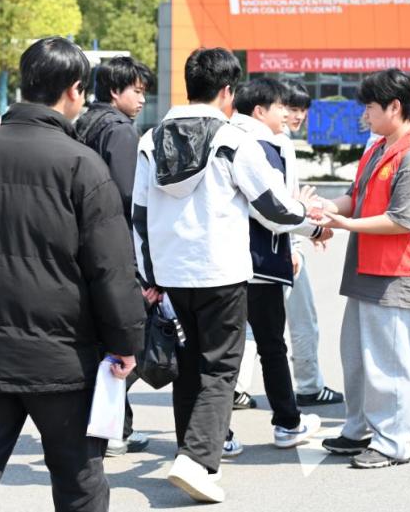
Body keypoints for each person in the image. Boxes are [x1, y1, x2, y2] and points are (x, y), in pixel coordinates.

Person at [0, 37, 146, 512]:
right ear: (74, 90)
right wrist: (126, 342)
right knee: (79, 478)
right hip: (61, 357)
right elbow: (111, 268)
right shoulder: (82, 164)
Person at [132, 48, 315, 503]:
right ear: (228, 91)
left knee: (187, 368)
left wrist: (148, 276)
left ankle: (188, 453)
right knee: (220, 369)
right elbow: (273, 206)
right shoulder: (233, 140)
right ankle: (197, 461)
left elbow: (138, 215)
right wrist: (311, 221)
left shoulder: (150, 140)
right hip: (221, 272)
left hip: (170, 273)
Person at [317, 69, 410, 469]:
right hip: (368, 269)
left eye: (370, 107)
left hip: (397, 274)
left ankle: (393, 442)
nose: (365, 115)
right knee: (356, 358)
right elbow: (355, 197)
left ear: (394, 107)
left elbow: (404, 220)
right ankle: (358, 429)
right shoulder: (379, 149)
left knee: (391, 364)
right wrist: (326, 208)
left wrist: (345, 224)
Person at [230, 77, 325, 449]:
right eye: (281, 107)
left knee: (221, 349)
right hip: (260, 263)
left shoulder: (224, 137)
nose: (287, 114)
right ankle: (287, 422)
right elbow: (273, 207)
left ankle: (215, 435)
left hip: (222, 264)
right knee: (271, 345)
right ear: (260, 110)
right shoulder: (262, 145)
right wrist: (309, 225)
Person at [75, 55, 154, 457]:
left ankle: (114, 426)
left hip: (80, 244)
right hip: (115, 244)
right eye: (136, 91)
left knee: (100, 338)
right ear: (113, 90)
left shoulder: (83, 123)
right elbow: (130, 195)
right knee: (130, 341)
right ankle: (111, 430)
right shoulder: (120, 131)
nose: (141, 100)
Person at [277, 79, 345, 408]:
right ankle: (308, 385)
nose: (298, 116)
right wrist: (302, 237)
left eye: (303, 110)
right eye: (292, 108)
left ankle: (237, 388)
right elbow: (283, 204)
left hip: (265, 246)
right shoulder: (280, 143)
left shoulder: (260, 140)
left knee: (251, 324)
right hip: (283, 246)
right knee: (302, 319)